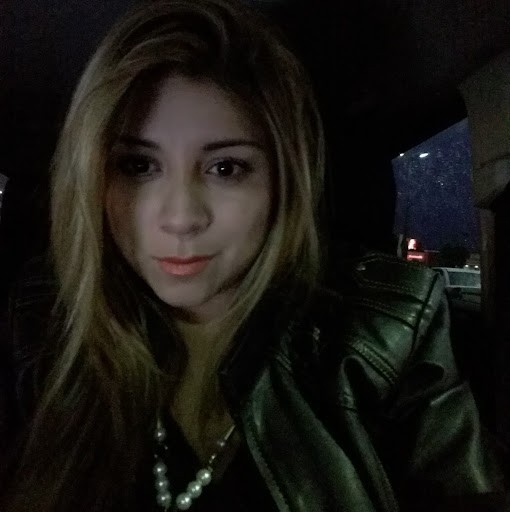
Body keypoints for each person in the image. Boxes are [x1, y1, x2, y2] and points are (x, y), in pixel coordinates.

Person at [0, 0, 504, 510]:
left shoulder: (386, 334)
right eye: (137, 165)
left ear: (282, 182)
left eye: (225, 168)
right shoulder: (39, 330)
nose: (181, 217)